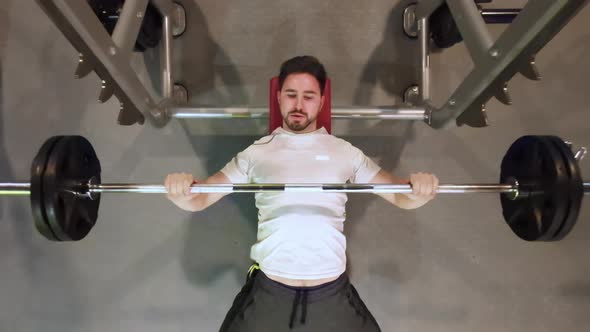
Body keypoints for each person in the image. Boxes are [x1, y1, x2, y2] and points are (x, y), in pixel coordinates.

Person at [165, 56, 439, 332]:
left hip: (331, 290)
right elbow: (200, 198)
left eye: (308, 97)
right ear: (279, 98)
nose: (298, 105)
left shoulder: (345, 152)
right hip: (271, 289)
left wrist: (419, 192)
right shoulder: (256, 154)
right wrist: (181, 193)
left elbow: (400, 196)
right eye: (291, 95)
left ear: (321, 102)